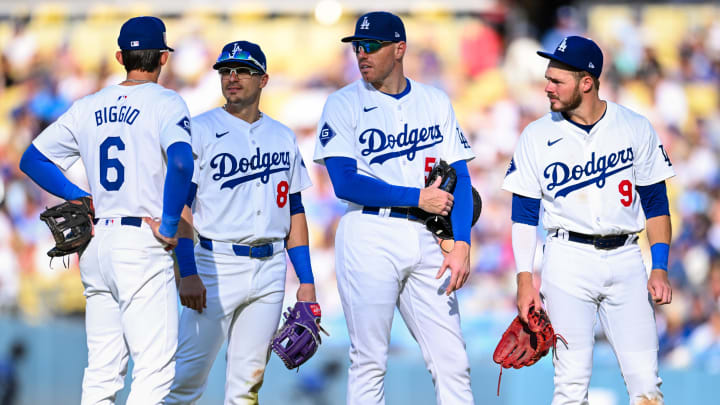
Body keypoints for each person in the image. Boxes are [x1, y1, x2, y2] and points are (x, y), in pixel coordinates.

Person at [18, 16, 198, 404]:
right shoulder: (166, 102)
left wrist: (80, 197)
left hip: (98, 244)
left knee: (101, 374)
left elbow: (32, 159)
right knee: (154, 371)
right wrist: (169, 225)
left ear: (121, 56)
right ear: (163, 58)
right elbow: (182, 163)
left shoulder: (89, 105)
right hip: (142, 243)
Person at [312, 11, 475, 404]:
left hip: (426, 237)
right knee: (370, 361)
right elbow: (345, 182)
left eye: (371, 46)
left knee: (453, 360)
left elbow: (462, 177)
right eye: (357, 47)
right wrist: (416, 197)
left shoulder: (434, 100)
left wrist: (464, 243)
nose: (361, 54)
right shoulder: (342, 103)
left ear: (399, 49)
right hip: (369, 233)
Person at [502, 36, 674, 404]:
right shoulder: (536, 135)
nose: (547, 87)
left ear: (587, 81)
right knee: (569, 386)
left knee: (647, 384)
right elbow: (523, 214)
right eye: (547, 78)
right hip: (567, 260)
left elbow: (657, 204)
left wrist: (658, 266)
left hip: (627, 259)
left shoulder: (634, 127)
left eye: (556, 80)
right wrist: (524, 280)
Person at [166, 40, 318, 404]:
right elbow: (182, 207)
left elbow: (295, 210)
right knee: (185, 381)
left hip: (269, 269)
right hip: (214, 264)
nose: (232, 77)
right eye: (225, 70)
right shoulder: (199, 130)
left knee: (247, 386)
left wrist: (307, 280)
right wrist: (187, 270)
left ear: (263, 79)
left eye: (243, 70)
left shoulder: (282, 135)